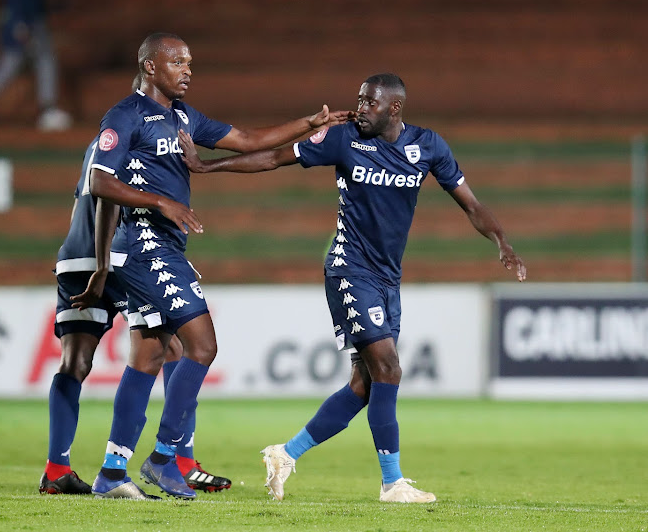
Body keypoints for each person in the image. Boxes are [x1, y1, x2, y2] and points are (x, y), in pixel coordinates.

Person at [178, 72, 527, 503]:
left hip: (386, 277)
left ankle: (285, 455)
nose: (360, 108)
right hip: (349, 269)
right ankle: (392, 483)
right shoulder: (342, 140)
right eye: (359, 100)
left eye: (369, 103)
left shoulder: (429, 146)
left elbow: (471, 203)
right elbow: (271, 159)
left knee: (364, 386)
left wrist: (502, 242)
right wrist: (206, 166)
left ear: (394, 108)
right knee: (389, 369)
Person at [83, 32, 350, 500]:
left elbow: (246, 140)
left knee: (146, 358)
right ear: (150, 67)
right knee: (201, 345)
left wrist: (308, 123)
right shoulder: (125, 116)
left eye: (190, 62)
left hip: (162, 247)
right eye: (178, 62)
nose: (187, 69)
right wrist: (161, 202)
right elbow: (99, 181)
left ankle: (111, 472)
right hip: (146, 246)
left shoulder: (183, 117)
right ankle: (164, 459)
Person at [39, 125, 232, 496]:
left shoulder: (100, 142)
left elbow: (89, 195)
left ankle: (57, 468)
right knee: (173, 348)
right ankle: (176, 461)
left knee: (75, 363)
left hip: (76, 254)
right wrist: (108, 264)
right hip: (114, 257)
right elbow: (116, 201)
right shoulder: (135, 136)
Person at [0, 0, 71, 132]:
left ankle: (48, 111)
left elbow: (37, 4)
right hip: (22, 25)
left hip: (32, 24)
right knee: (10, 66)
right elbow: (17, 1)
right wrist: (19, 25)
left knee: (45, 62)